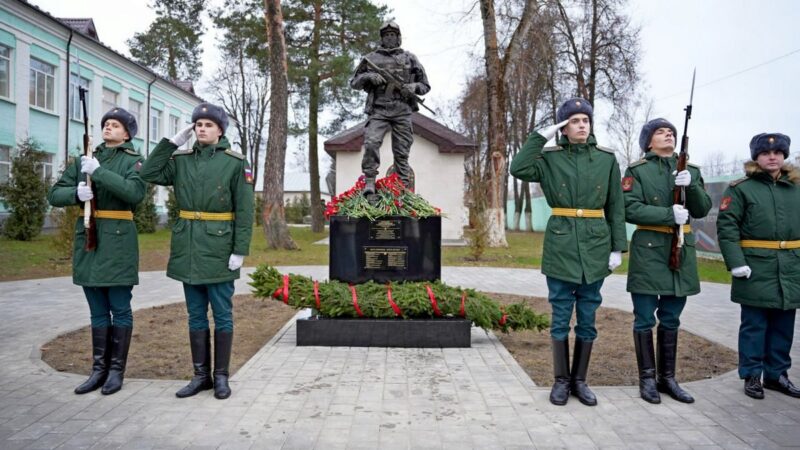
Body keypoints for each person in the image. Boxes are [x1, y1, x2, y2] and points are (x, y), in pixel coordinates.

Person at [509, 97, 627, 406]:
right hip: (561, 243)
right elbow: (518, 167)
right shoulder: (550, 158)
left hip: (596, 244)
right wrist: (540, 136)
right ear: (564, 127)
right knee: (561, 315)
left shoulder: (606, 159)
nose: (581, 125)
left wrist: (618, 247)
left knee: (588, 317)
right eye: (574, 121)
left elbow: (616, 204)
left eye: (585, 120)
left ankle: (580, 381)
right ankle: (561, 381)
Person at [139, 102, 254, 400]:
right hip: (188, 246)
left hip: (218, 246)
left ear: (220, 130)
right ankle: (200, 375)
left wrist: (240, 249)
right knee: (195, 316)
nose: (202, 129)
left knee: (223, 315)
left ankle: (221, 377)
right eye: (198, 125)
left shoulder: (234, 162)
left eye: (208, 125)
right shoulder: (181, 160)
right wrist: (170, 143)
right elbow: (149, 173)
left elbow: (245, 209)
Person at [47, 107, 145, 395]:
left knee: (120, 308)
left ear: (127, 133)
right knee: (98, 311)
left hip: (118, 243)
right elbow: (55, 193)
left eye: (115, 125)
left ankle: (116, 372)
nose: (109, 128)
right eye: (106, 124)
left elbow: (134, 193)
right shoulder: (86, 159)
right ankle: (98, 370)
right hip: (89, 241)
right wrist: (75, 193)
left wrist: (99, 173)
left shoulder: (135, 161)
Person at [623, 118, 711, 404]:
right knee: (645, 318)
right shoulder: (637, 171)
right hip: (649, 250)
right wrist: (666, 216)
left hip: (681, 250)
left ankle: (668, 379)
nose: (668, 135)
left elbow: (701, 208)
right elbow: (629, 207)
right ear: (648, 141)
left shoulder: (691, 171)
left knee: (671, 318)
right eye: (660, 132)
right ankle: (647, 379)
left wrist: (692, 186)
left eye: (671, 132)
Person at [716, 132, 800, 400]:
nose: (772, 157)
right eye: (765, 153)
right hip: (755, 266)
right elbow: (727, 228)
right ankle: (752, 375)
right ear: (756, 157)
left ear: (784, 155)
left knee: (784, 324)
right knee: (754, 325)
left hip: (791, 266)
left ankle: (777, 375)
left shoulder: (796, 188)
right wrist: (736, 263)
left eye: (777, 153)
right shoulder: (740, 188)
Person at [350, 20, 430, 197]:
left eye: (393, 35)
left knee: (402, 150)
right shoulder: (371, 59)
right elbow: (354, 83)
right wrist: (369, 76)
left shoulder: (410, 58)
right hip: (379, 110)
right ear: (381, 38)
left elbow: (425, 86)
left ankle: (402, 187)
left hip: (402, 110)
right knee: (371, 143)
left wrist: (414, 87)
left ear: (398, 37)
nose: (389, 38)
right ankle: (369, 182)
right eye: (386, 35)